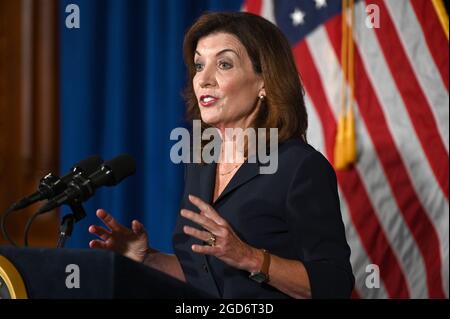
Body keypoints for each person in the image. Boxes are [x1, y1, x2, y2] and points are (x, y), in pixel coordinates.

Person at [88, 12, 354, 299]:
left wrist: (250, 257)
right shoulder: (202, 163)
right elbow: (206, 275)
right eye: (199, 65)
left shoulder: (299, 167)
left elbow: (334, 284)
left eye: (224, 64)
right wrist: (146, 258)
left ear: (264, 81)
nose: (203, 79)